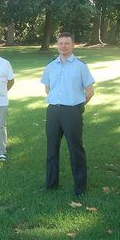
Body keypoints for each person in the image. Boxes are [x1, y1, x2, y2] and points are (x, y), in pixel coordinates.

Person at [40, 32, 95, 196]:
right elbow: (47, 88)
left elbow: (90, 91)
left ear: (73, 45)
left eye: (67, 43)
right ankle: (51, 184)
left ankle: (80, 188)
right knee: (51, 149)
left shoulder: (80, 66)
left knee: (75, 149)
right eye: (61, 43)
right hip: (53, 111)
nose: (63, 46)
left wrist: (77, 104)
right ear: (57, 45)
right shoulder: (51, 66)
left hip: (72, 111)